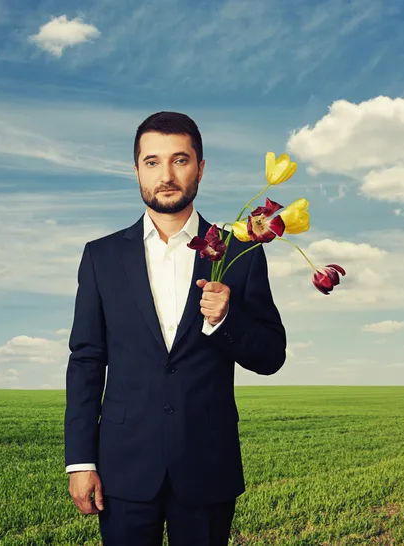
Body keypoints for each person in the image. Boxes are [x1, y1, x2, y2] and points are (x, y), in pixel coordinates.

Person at [65, 111, 287, 545]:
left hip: (207, 464)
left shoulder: (240, 252)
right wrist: (80, 461)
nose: (165, 174)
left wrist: (226, 319)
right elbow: (86, 361)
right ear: (136, 170)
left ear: (200, 168)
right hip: (123, 469)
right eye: (152, 162)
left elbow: (271, 356)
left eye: (180, 160)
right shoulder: (101, 256)